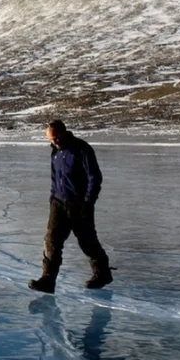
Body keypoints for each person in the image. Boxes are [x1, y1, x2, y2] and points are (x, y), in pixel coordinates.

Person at [28, 119, 113, 293]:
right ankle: (47, 280)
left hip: (79, 204)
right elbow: (55, 178)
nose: (54, 142)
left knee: (87, 241)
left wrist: (88, 202)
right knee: (51, 241)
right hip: (58, 203)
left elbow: (94, 177)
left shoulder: (81, 149)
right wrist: (53, 198)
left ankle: (102, 273)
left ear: (63, 132)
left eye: (56, 138)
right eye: (51, 140)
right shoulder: (55, 153)